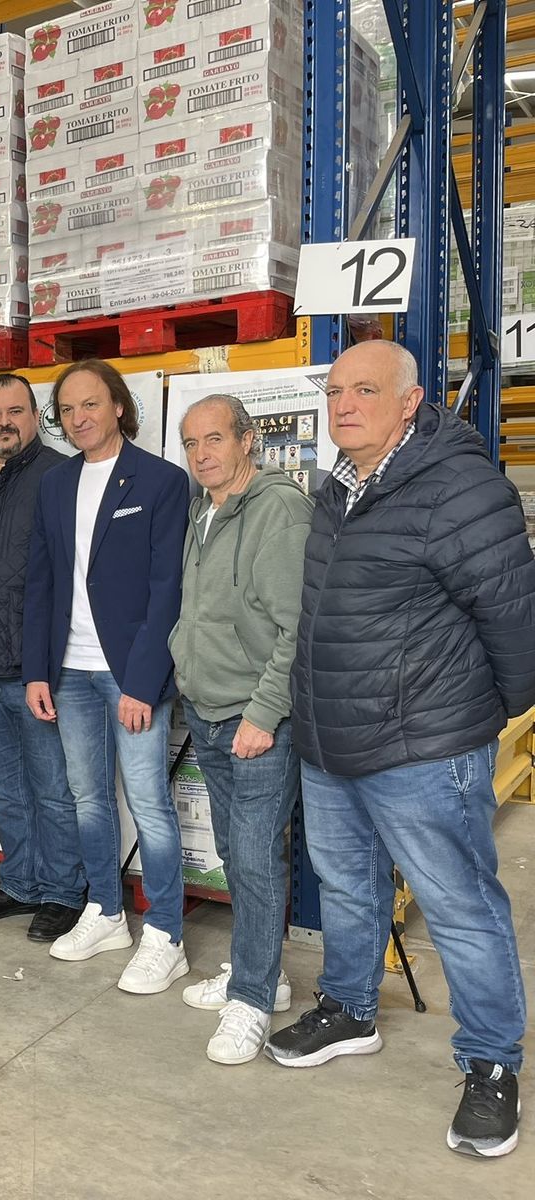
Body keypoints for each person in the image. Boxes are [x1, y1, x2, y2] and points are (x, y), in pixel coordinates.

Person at [267, 340, 535, 1159]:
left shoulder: (459, 487)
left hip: (423, 745)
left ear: (411, 403)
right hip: (331, 736)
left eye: (366, 390)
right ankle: (349, 1008)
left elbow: (514, 621)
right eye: (336, 390)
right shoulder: (336, 487)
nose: (344, 404)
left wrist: (480, 716)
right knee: (346, 884)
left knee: (459, 905)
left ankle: (492, 1064)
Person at [22, 358, 190, 994]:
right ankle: (106, 911)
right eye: (66, 410)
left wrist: (145, 682)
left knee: (148, 801)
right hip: (69, 672)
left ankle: (167, 932)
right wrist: (37, 670)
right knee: (88, 798)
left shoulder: (162, 481)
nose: (78, 418)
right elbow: (41, 582)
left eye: (90, 404)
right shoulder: (55, 484)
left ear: (118, 406)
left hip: (128, 674)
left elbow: (167, 589)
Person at [169, 393, 311, 1064]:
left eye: (215, 440)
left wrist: (262, 713)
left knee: (254, 862)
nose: (202, 453)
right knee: (237, 854)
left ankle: (250, 1001)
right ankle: (270, 975)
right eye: (192, 442)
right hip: (208, 710)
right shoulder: (207, 509)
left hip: (255, 723)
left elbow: (297, 626)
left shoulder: (277, 509)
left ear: (248, 441)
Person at [0, 373, 85, 943]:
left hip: (36, 674)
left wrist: (43, 666)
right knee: (2, 784)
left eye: (16, 411)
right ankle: (21, 882)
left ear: (36, 417)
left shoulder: (60, 478)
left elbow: (73, 582)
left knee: (53, 787)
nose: (4, 421)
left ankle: (63, 893)